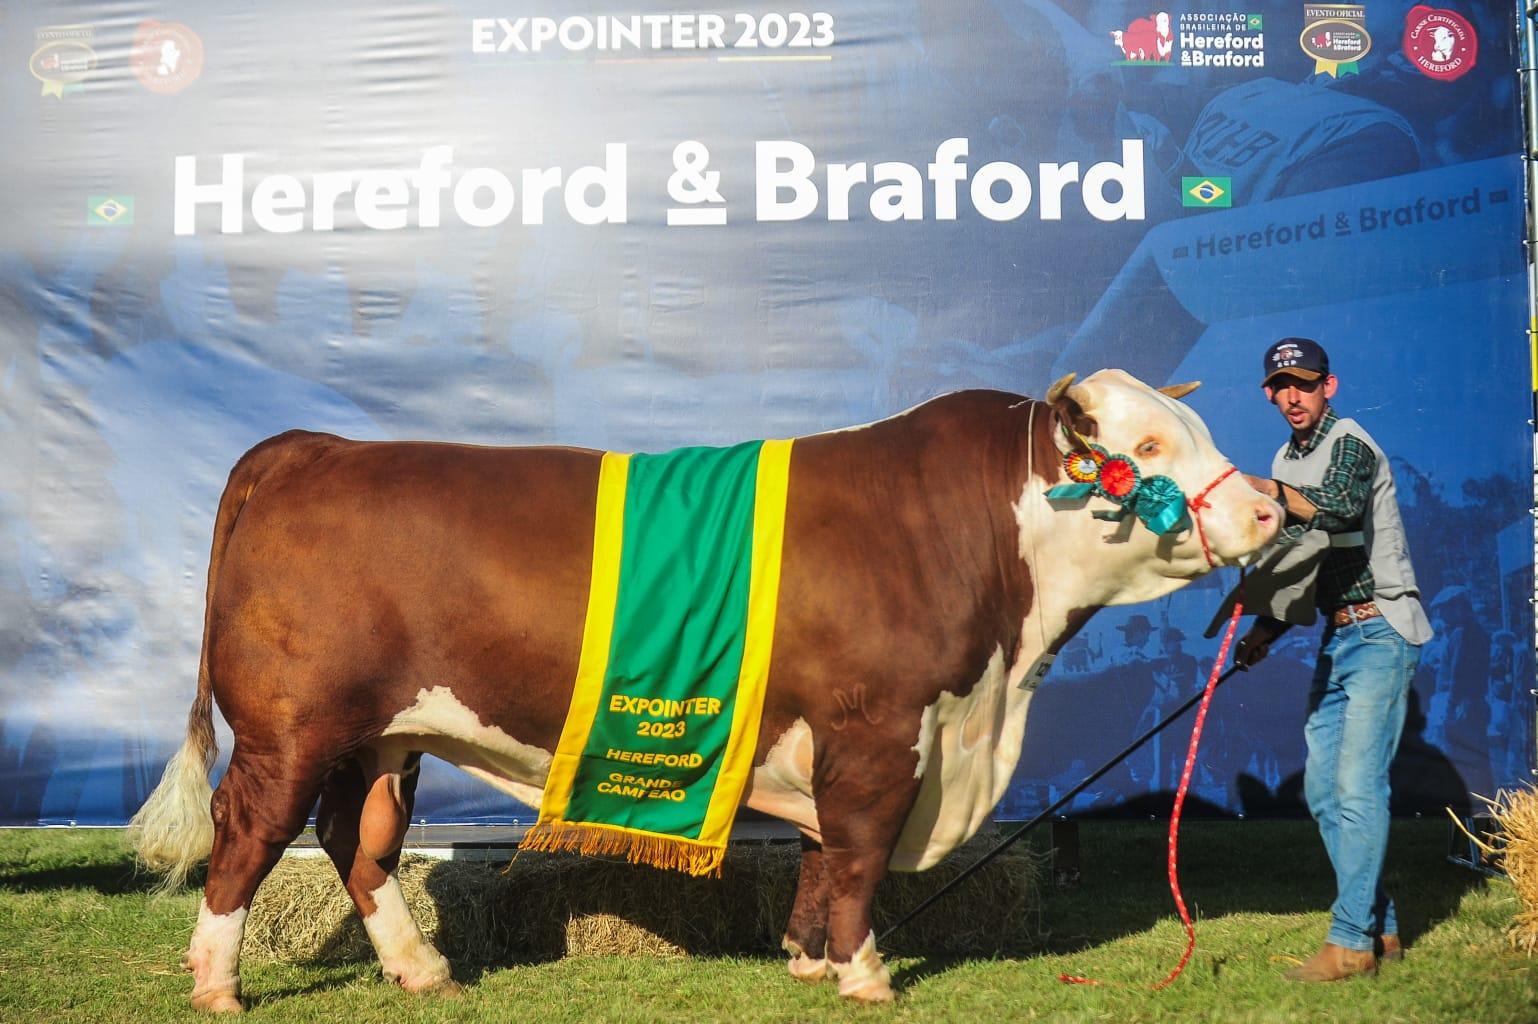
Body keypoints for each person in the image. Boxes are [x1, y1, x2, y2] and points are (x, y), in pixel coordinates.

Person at [1230, 338, 1432, 981]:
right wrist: (1266, 627)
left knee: (1357, 787)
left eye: (1305, 383)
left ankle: (1350, 944)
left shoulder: (1349, 442)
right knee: (1323, 791)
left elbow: (1341, 507)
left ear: (1329, 387)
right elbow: (1300, 563)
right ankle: (1384, 927)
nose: (1293, 395)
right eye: (1281, 385)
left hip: (1382, 630)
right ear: (1269, 393)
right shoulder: (1285, 457)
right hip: (1339, 635)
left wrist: (1262, 491)